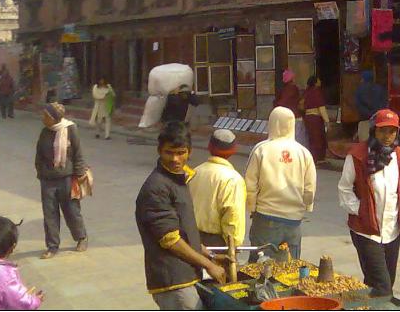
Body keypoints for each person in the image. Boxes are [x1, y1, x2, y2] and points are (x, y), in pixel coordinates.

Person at [135, 121, 228, 310]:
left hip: (187, 274)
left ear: (189, 152)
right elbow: (171, 240)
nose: (175, 159)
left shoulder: (179, 179)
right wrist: (209, 265)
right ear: (159, 151)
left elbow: (184, 231)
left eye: (181, 152)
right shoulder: (156, 188)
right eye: (169, 152)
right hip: (173, 280)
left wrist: (210, 255)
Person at [338, 109, 400, 298]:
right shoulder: (358, 155)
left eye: (392, 131)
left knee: (382, 282)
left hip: (392, 231)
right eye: (382, 130)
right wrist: (360, 210)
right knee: (383, 287)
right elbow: (344, 188)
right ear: (373, 130)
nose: (387, 136)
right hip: (366, 231)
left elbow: (399, 189)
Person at [245, 106, 317, 260]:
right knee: (290, 267)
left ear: (272, 123)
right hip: (294, 220)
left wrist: (251, 208)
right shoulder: (304, 153)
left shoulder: (261, 149)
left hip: (266, 216)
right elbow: (310, 188)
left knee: (260, 266)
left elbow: (250, 184)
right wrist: (306, 207)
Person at [35, 102, 88, 259]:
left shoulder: (70, 129)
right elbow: (39, 154)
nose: (43, 118)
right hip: (47, 179)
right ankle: (52, 246)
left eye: (45, 116)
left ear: (53, 118)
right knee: (49, 214)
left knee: (72, 210)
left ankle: (81, 237)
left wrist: (79, 174)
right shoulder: (45, 131)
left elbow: (78, 153)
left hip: (67, 177)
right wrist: (41, 171)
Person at [188, 129, 246, 248]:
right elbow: (232, 216)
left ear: (209, 146)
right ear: (234, 149)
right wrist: (233, 245)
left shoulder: (194, 172)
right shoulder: (233, 179)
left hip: (190, 236)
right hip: (216, 242)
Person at [273, 69, 307, 148]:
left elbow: (279, 102)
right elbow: (286, 101)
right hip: (295, 116)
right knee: (298, 138)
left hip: (284, 117)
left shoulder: (283, 89)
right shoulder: (293, 88)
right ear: (292, 79)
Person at [301, 76, 330, 163]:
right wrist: (327, 121)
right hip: (315, 118)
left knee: (312, 138)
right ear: (315, 82)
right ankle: (317, 158)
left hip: (307, 117)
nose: (320, 81)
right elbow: (321, 108)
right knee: (317, 138)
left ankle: (315, 158)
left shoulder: (306, 92)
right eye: (318, 80)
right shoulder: (317, 92)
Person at [355, 70, 387, 142]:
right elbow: (384, 103)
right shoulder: (380, 88)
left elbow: (358, 104)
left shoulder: (359, 89)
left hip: (365, 119)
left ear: (363, 78)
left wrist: (366, 113)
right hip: (378, 118)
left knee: (364, 142)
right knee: (378, 140)